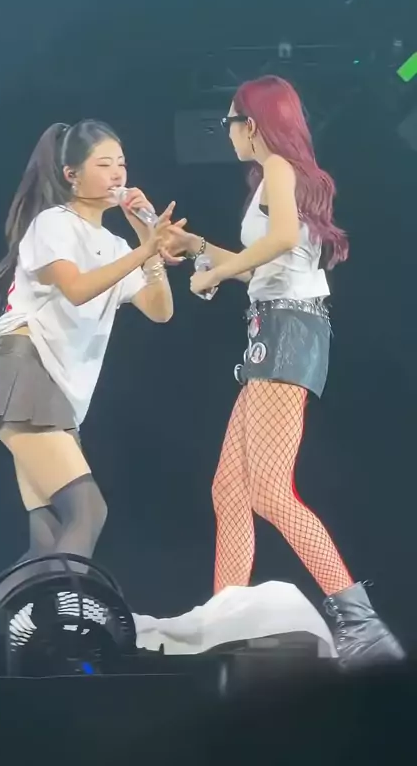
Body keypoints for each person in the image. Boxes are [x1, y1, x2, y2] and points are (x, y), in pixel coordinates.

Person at [162, 76, 404, 667]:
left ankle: (362, 624)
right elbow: (265, 265)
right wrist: (198, 248)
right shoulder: (277, 178)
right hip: (276, 327)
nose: (228, 134)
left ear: (254, 123)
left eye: (230, 122)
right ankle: (227, 619)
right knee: (229, 488)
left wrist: (215, 273)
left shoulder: (277, 168)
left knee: (270, 490)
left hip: (289, 331)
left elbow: (282, 240)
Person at [0, 119, 177, 606]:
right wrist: (144, 249)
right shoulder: (53, 224)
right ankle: (62, 625)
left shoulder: (116, 246)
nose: (118, 174)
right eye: (104, 164)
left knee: (46, 538)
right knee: (87, 510)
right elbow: (76, 289)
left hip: (58, 394)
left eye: (122, 164)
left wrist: (148, 245)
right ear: (71, 175)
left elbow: (160, 310)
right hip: (24, 374)